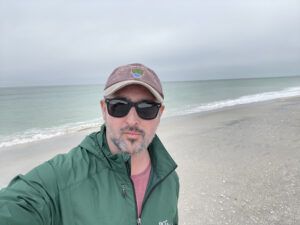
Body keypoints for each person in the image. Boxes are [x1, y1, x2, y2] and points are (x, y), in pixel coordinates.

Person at [0, 63, 179, 225]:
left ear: (160, 113)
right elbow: (18, 205)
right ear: (103, 109)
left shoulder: (169, 179)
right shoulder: (64, 176)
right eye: (119, 106)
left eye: (146, 108)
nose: (132, 120)